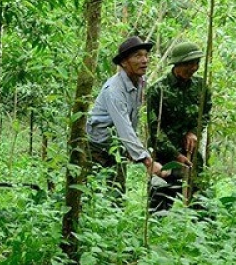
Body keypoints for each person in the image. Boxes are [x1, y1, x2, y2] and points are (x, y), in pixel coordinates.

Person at [86, 36, 167, 201]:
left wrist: (131, 150)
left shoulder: (141, 82)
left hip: (117, 148)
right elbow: (124, 127)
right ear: (124, 62)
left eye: (146, 55)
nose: (144, 60)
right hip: (96, 147)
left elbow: (133, 118)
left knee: (116, 196)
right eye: (138, 56)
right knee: (91, 195)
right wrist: (148, 161)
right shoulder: (114, 90)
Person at [146, 41, 212, 211]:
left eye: (197, 63)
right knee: (159, 207)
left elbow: (204, 114)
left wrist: (194, 132)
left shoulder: (200, 87)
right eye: (189, 64)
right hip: (164, 158)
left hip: (191, 157)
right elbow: (155, 130)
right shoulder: (158, 90)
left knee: (201, 206)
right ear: (177, 64)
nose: (194, 67)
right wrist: (175, 155)